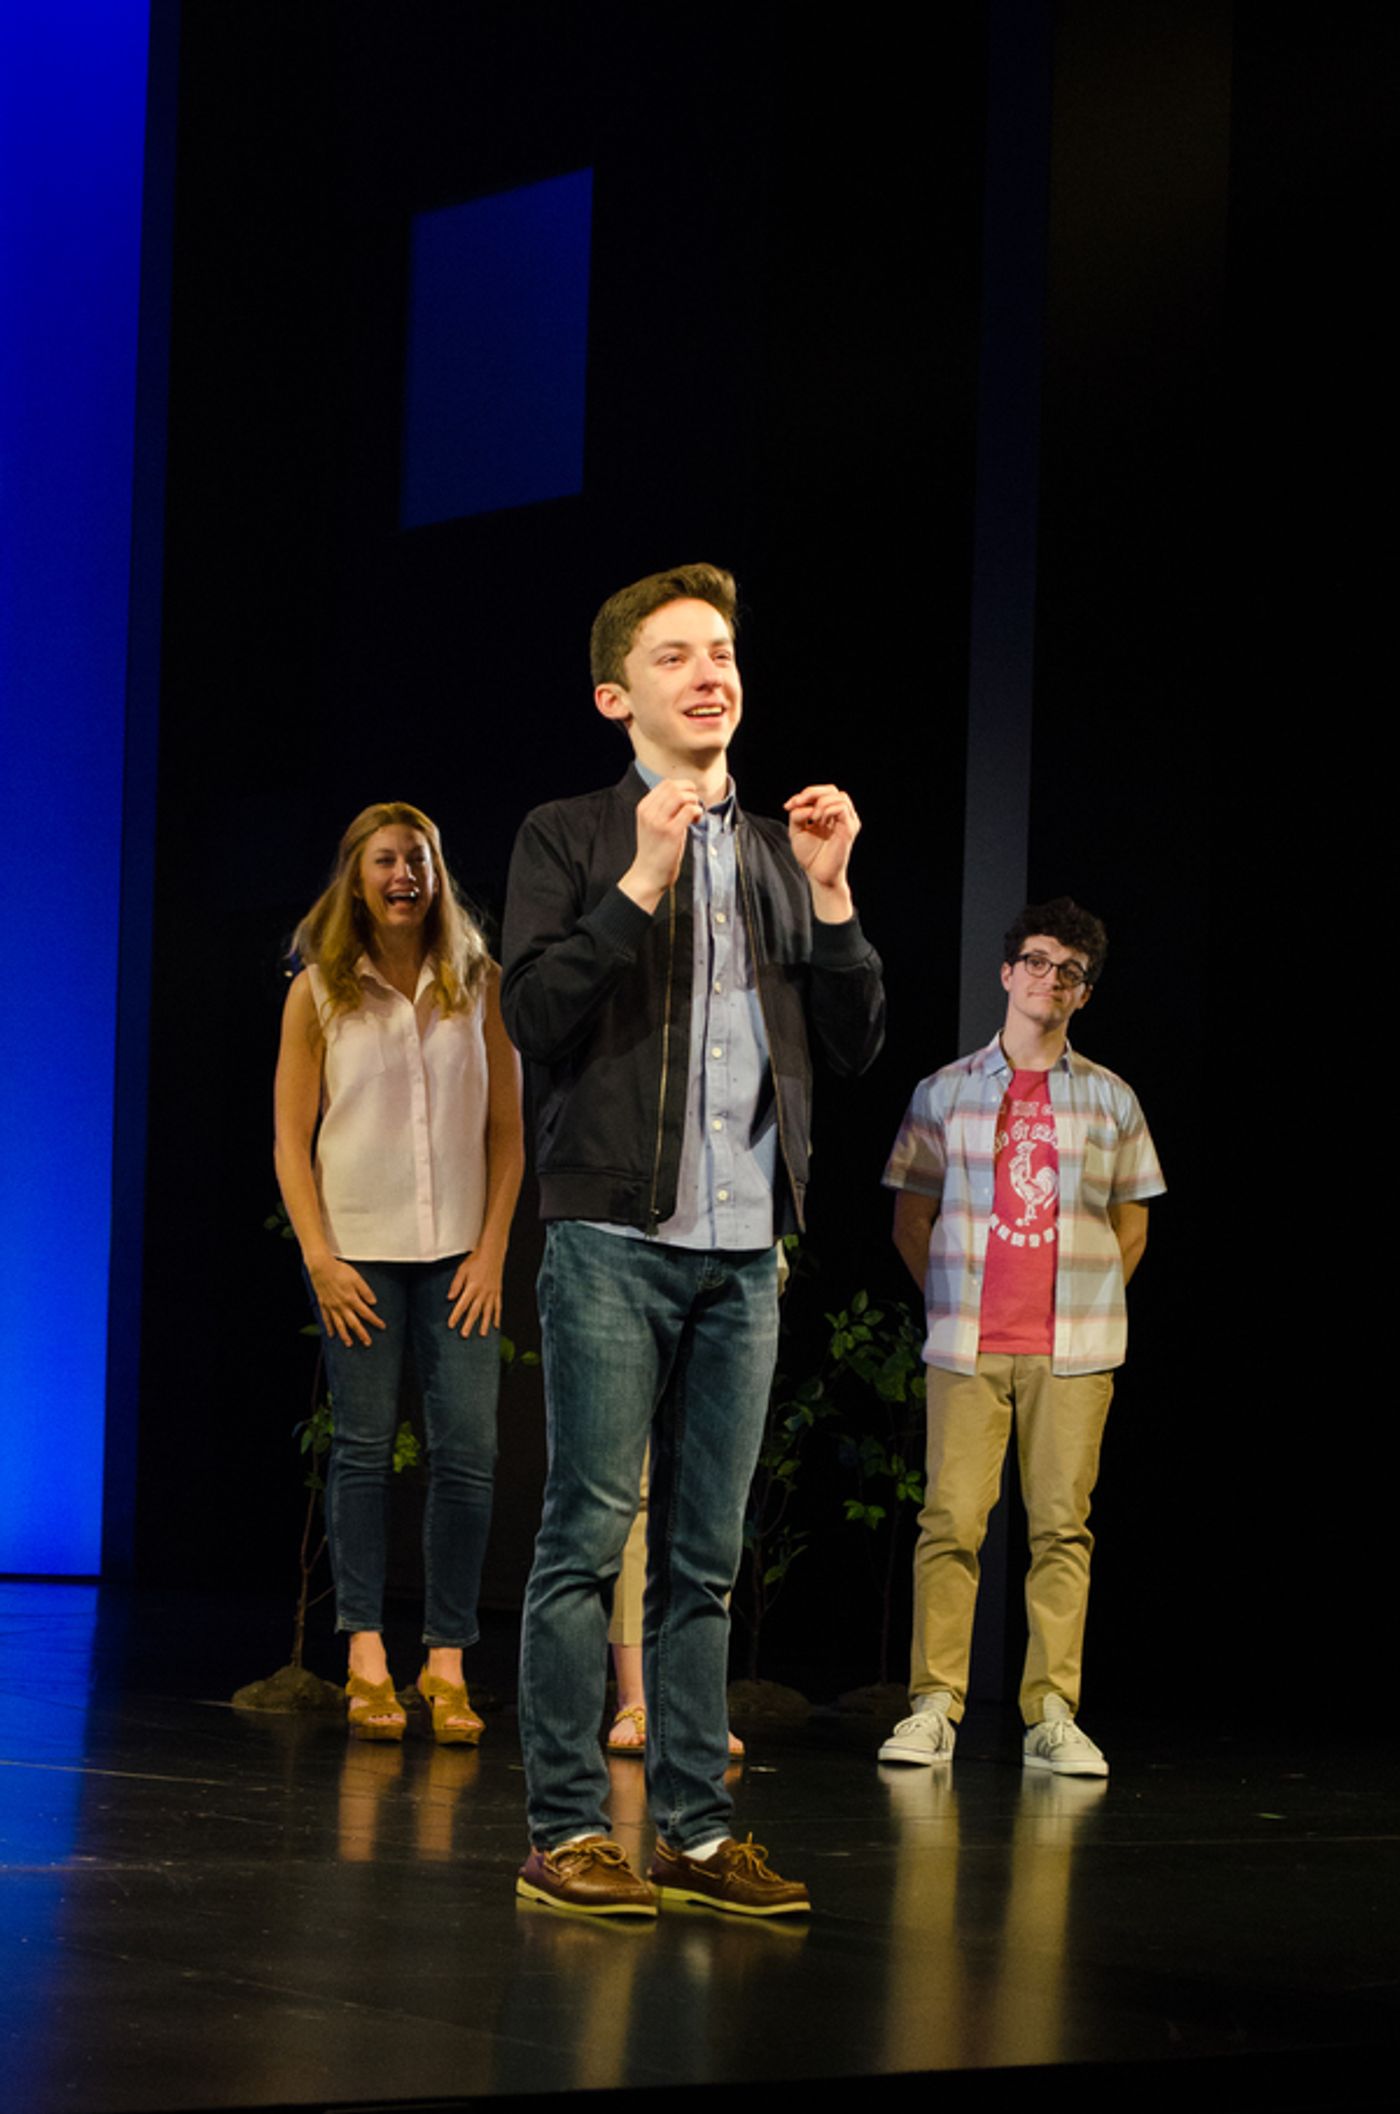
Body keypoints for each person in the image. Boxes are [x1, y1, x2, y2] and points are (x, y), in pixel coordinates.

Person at [502, 563, 884, 1915]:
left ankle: (698, 1835)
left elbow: (850, 1041)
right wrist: (644, 880)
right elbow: (533, 1016)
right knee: (586, 1536)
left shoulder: (785, 851)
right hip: (612, 1231)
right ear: (618, 695)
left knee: (707, 1555)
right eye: (676, 656)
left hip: (744, 1246)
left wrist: (834, 897)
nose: (710, 672)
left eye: (722, 650)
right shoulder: (568, 832)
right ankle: (567, 1829)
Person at [879, 898, 1163, 1776]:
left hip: (1071, 1351)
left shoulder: (1111, 1099)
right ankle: (934, 1706)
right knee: (950, 1523)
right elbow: (911, 1217)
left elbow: (1132, 1225)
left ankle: (1051, 1714)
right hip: (968, 1343)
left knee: (1061, 1530)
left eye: (1069, 972)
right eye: (1037, 962)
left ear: (1083, 996)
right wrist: (953, 1305)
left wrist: (1079, 1311)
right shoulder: (945, 1090)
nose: (1050, 980)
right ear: (1007, 974)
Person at [274, 801, 524, 1743]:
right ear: (356, 876)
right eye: (385, 860)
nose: (403, 874)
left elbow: (508, 1137)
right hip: (357, 1257)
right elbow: (290, 1142)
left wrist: (494, 1248)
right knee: (365, 1453)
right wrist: (320, 1258)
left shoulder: (480, 983)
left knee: (468, 1456)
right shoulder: (319, 991)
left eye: (417, 858)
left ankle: (448, 1659)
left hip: (461, 1252)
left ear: (438, 873)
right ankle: (368, 1653)